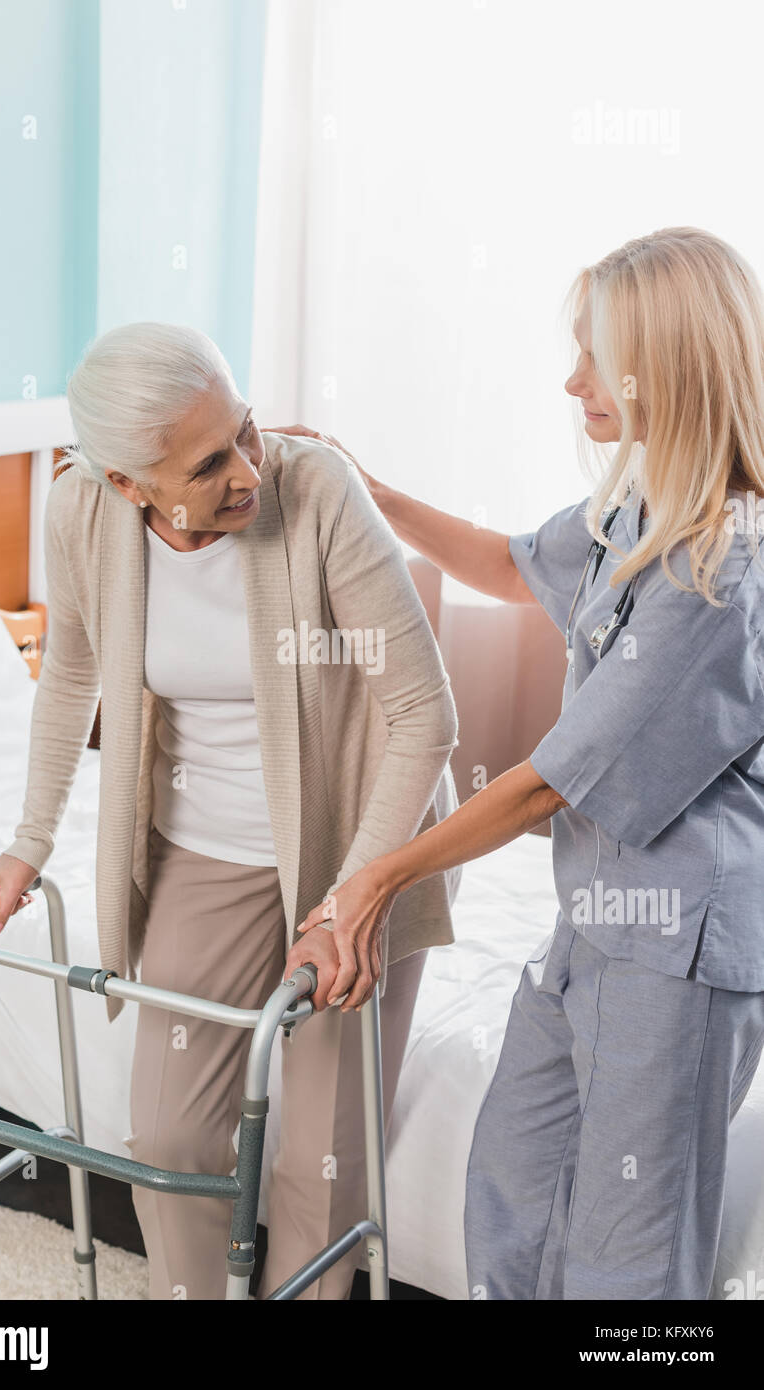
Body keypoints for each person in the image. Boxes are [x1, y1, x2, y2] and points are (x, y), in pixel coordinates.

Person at [289, 227, 764, 1299]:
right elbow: (509, 564)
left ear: (672, 365)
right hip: (588, 922)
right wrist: (367, 490)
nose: (573, 379)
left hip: (675, 953)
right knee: (510, 1190)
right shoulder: (638, 504)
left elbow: (552, 778)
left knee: (625, 1259)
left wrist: (374, 878)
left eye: (598, 355)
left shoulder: (722, 569)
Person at [0, 321, 460, 1300]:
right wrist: (28, 842)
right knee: (171, 1135)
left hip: (364, 839)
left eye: (245, 431)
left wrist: (352, 900)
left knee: (319, 1168)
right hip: (206, 850)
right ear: (126, 484)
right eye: (209, 461)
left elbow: (423, 712)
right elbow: (70, 674)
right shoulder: (79, 513)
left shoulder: (315, 491)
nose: (248, 470)